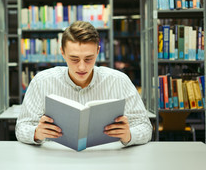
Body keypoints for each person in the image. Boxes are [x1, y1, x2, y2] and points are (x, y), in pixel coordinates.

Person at [16, 21, 152, 146]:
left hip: (107, 159)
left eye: (89, 59)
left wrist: (129, 135)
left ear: (98, 51)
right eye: (74, 59)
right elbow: (21, 127)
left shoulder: (119, 81)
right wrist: (36, 133)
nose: (81, 67)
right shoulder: (42, 82)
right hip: (57, 160)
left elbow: (145, 127)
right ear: (62, 52)